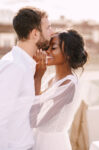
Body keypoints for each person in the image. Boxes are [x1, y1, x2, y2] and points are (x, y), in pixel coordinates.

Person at [0, 7, 52, 150]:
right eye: (48, 28)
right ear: (35, 34)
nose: (51, 33)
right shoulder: (14, 66)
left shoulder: (27, 65)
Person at [30, 29, 88, 150]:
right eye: (48, 47)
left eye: (53, 48)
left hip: (52, 144)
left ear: (68, 54)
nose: (47, 51)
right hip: (39, 139)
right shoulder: (52, 78)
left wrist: (38, 78)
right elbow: (36, 101)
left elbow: (35, 119)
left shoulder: (69, 85)